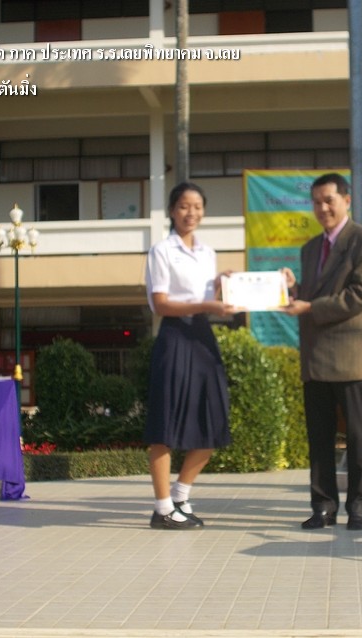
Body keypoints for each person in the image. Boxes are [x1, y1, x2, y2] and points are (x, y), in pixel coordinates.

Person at [282, 172, 362, 531]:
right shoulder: (310, 248)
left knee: (357, 435)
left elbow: (361, 295)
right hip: (315, 354)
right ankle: (323, 506)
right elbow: (314, 294)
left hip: (351, 353)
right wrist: (294, 290)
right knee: (319, 436)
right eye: (316, 202)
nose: (322, 208)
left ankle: (359, 507)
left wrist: (309, 307)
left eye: (329, 200)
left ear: (346, 200)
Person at [143, 182, 236, 530]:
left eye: (197, 206)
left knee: (213, 420)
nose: (190, 213)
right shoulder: (161, 251)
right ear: (172, 211)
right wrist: (208, 304)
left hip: (202, 336)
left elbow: (205, 293)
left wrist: (221, 284)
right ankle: (162, 508)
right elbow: (161, 304)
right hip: (174, 335)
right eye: (183, 206)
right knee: (165, 423)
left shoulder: (208, 253)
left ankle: (180, 496)